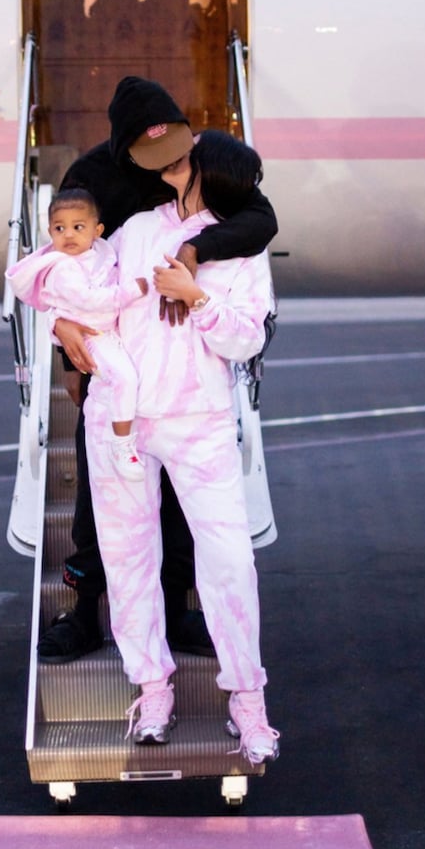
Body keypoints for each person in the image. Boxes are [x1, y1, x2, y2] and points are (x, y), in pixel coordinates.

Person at [39, 74, 278, 664]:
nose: (170, 166)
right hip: (114, 361)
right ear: (123, 146)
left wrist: (198, 249)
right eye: (155, 157)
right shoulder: (91, 180)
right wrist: (60, 340)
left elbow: (261, 217)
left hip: (180, 373)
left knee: (175, 504)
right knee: (102, 508)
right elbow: (61, 262)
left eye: (176, 150)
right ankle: (86, 612)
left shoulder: (201, 160)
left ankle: (174, 613)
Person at [84, 129, 280, 765]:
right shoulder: (136, 229)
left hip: (200, 418)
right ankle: (152, 686)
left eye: (188, 160)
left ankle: (248, 700)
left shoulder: (241, 247)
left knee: (228, 560)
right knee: (127, 556)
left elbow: (246, 340)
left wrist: (196, 297)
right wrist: (64, 324)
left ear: (208, 171)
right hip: (122, 419)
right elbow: (84, 292)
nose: (175, 164)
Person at [5, 188, 148, 480]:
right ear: (50, 232)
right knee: (124, 378)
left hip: (110, 330)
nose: (68, 235)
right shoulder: (62, 268)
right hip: (90, 336)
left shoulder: (99, 253)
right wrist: (132, 291)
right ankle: (123, 445)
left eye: (77, 227)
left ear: (97, 231)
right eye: (60, 228)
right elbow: (90, 300)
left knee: (131, 379)